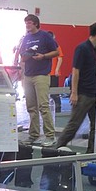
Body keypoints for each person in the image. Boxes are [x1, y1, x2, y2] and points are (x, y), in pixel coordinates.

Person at [55, 22, 96, 153]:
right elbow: (75, 71)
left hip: (95, 94)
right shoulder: (82, 48)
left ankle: (91, 153)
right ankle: (55, 150)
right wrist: (74, 93)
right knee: (74, 125)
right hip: (83, 94)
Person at [19, 14, 59, 147]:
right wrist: (26, 56)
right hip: (28, 74)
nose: (27, 25)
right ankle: (33, 134)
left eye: (29, 23)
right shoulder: (26, 38)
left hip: (41, 75)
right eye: (25, 23)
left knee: (43, 106)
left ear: (35, 23)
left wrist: (43, 56)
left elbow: (56, 52)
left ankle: (50, 135)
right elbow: (22, 56)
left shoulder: (45, 36)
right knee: (31, 107)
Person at [48, 31, 63, 113]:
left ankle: (57, 109)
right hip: (46, 73)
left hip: (54, 73)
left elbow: (60, 58)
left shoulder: (57, 46)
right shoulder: (46, 47)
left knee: (55, 93)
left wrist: (57, 69)